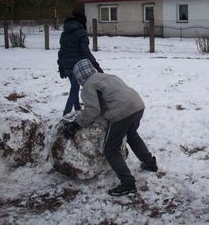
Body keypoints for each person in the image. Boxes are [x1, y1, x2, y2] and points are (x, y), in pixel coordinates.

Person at [63, 59, 158, 196]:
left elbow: (92, 111)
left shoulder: (89, 86)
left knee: (110, 149)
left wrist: (76, 124)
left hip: (122, 111)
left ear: (80, 76)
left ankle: (127, 183)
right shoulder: (106, 76)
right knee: (131, 135)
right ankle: (149, 163)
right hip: (137, 105)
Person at [57, 10, 103, 116]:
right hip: (77, 66)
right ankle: (66, 113)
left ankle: (77, 108)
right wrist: (96, 65)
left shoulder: (64, 34)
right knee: (74, 88)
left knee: (74, 86)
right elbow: (85, 52)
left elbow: (61, 51)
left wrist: (60, 66)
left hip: (66, 64)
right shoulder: (81, 33)